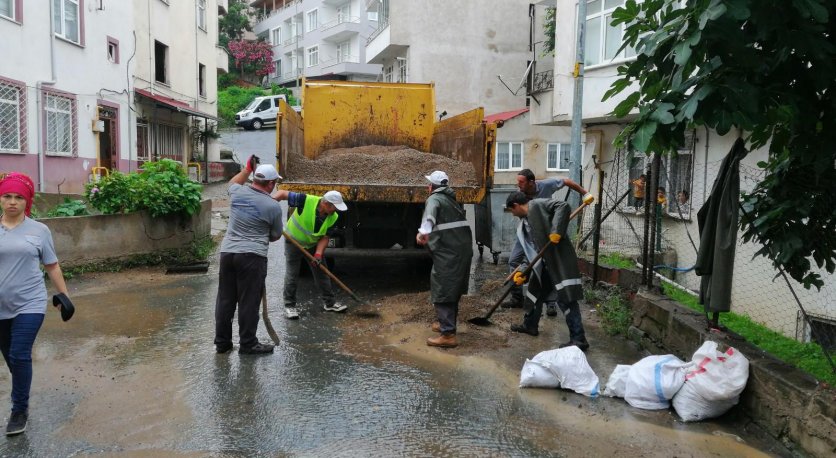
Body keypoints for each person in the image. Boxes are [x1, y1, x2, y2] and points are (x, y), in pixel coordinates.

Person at [0, 172, 71, 435]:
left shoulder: (39, 231)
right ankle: (21, 388)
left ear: (27, 201)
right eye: (7, 196)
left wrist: (64, 297)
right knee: (11, 358)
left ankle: (19, 409)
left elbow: (51, 265)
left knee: (19, 354)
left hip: (30, 302)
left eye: (19, 197)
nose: (12, 202)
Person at [214, 158, 284, 355]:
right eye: (274, 183)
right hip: (252, 257)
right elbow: (276, 235)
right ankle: (248, 343)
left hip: (228, 253)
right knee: (248, 301)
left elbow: (232, 183)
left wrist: (246, 169)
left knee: (225, 300)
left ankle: (222, 343)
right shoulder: (272, 206)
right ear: (270, 184)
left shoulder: (237, 192)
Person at [504, 191, 589, 351]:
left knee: (566, 299)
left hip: (559, 261)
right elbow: (531, 250)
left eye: (512, 211)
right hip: (543, 264)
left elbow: (563, 206)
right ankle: (530, 325)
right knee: (534, 293)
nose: (513, 215)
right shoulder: (524, 224)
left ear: (515, 206)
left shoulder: (537, 205)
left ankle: (579, 339)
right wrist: (522, 272)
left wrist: (556, 230)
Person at [504, 169, 593, 318]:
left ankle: (550, 304)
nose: (518, 185)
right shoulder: (520, 195)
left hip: (549, 233)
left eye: (521, 182)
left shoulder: (546, 185)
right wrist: (523, 270)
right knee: (514, 261)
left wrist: (585, 193)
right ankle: (517, 297)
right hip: (529, 232)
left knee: (548, 267)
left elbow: (566, 182)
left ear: (531, 182)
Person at [416, 171, 473, 348]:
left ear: (431, 187)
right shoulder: (450, 199)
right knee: (451, 287)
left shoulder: (434, 199)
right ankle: (445, 324)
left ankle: (448, 334)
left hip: (449, 252)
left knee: (443, 287)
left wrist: (423, 233)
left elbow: (430, 216)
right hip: (460, 250)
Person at [272, 188, 348, 319]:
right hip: (293, 242)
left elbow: (325, 237)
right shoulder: (305, 200)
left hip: (312, 245)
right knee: (292, 274)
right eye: (334, 207)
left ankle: (329, 303)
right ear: (325, 204)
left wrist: (318, 254)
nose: (335, 210)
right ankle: (289, 306)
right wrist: (269, 205)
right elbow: (282, 194)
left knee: (322, 272)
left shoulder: (333, 217)